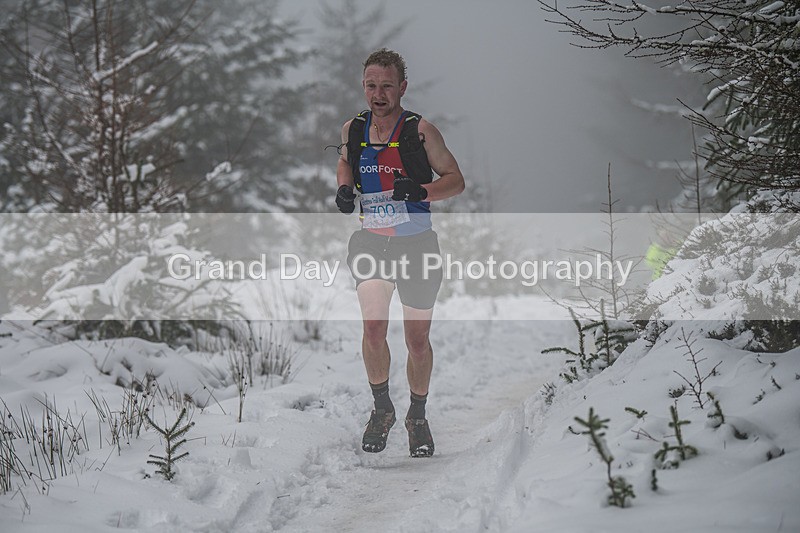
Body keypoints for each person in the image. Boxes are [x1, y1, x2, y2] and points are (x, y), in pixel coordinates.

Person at [335, 48, 465, 457]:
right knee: (373, 329)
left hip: (416, 244)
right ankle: (382, 409)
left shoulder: (420, 131)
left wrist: (422, 190)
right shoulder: (352, 129)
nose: (378, 93)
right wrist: (343, 188)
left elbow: (456, 180)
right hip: (372, 241)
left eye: (386, 85)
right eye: (371, 85)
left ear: (402, 88)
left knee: (417, 340)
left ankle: (418, 416)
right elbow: (345, 164)